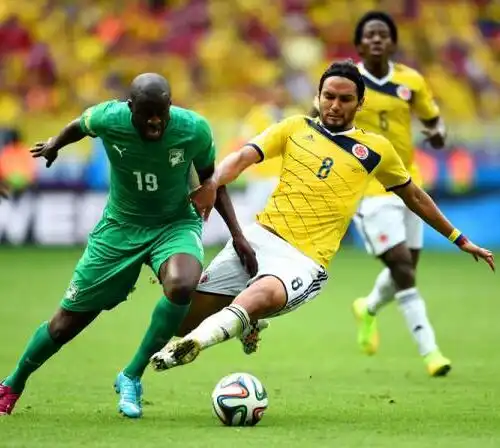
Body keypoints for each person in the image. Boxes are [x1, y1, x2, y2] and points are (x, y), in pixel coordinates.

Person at [148, 61, 494, 373]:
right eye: (329, 96)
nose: (335, 105)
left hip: (304, 260)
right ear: (318, 96)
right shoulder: (294, 127)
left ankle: (192, 346)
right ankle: (232, 326)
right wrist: (211, 183)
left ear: (360, 104)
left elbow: (415, 195)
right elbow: (241, 158)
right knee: (185, 317)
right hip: (260, 238)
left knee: (258, 297)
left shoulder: (375, 150)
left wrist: (460, 239)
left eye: (345, 99)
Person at [0, 73, 257, 418]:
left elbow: (212, 182)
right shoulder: (110, 117)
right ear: (130, 108)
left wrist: (237, 234)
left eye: (161, 113)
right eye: (146, 113)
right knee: (64, 324)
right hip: (120, 227)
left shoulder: (194, 129)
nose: (154, 121)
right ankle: (13, 383)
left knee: (182, 285)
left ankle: (131, 375)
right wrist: (55, 144)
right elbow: (80, 124)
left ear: (170, 107)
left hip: (175, 223)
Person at [350, 11, 451, 376]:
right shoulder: (348, 80)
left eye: (383, 34)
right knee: (404, 269)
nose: (377, 40)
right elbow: (321, 115)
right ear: (359, 44)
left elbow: (432, 121)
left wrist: (439, 134)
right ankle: (431, 352)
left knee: (406, 267)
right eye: (370, 35)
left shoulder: (411, 81)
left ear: (393, 42)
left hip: (409, 184)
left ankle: (368, 307)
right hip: (368, 189)